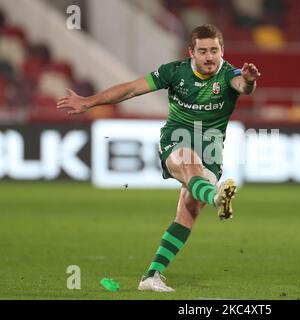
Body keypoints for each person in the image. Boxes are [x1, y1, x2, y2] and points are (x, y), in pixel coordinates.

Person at [57, 24, 261, 291]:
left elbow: (242, 86)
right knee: (188, 162)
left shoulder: (229, 75)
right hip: (176, 139)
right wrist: (89, 102)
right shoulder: (174, 72)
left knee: (188, 210)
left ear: (222, 50)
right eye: (203, 51)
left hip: (211, 151)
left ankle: (151, 277)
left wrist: (249, 80)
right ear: (191, 53)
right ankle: (216, 197)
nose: (210, 57)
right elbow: (131, 89)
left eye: (215, 50)